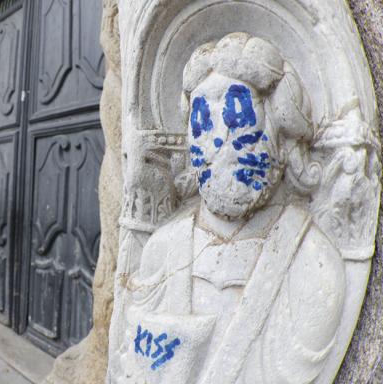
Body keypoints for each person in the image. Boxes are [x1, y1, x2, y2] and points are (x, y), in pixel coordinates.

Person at [110, 33, 344, 383]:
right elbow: (130, 362)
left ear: (281, 136)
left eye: (237, 118)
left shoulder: (313, 265)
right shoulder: (163, 248)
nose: (219, 140)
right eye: (204, 121)